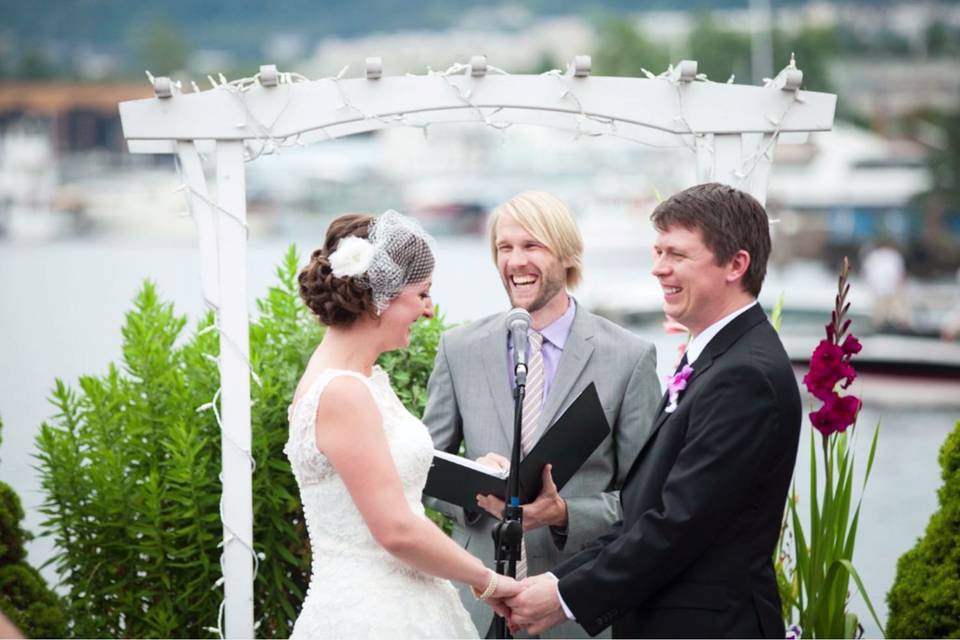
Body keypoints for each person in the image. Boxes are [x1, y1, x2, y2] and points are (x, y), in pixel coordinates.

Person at [506, 183, 802, 638]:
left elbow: (678, 525)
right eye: (657, 251)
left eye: (677, 255)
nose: (658, 269)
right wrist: (555, 581)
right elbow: (643, 513)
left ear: (736, 265)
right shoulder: (714, 357)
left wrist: (564, 597)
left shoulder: (746, 375)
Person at [422, 191, 661, 638]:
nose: (515, 261)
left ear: (567, 254)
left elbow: (647, 500)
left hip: (571, 607)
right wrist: (473, 484)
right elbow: (422, 468)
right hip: (472, 606)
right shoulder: (460, 348)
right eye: (504, 248)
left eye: (532, 246)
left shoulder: (628, 358)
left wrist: (562, 512)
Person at [285, 210, 520, 639]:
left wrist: (474, 474)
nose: (428, 311)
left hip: (405, 606)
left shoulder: (363, 381)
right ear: (382, 296)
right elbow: (395, 529)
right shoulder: (343, 392)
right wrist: (488, 580)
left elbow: (383, 477)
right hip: (373, 618)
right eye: (423, 294)